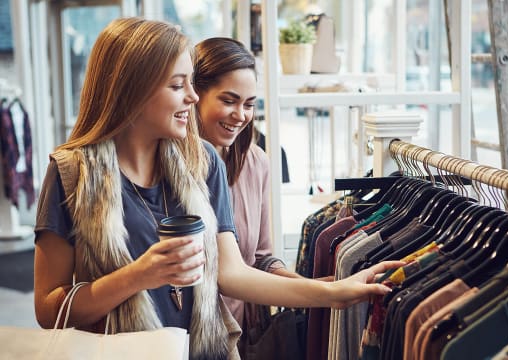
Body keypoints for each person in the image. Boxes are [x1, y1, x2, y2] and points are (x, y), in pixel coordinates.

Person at [33, 17, 397, 360]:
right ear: (132, 91)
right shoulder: (71, 173)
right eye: (177, 85)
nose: (192, 97)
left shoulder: (202, 162)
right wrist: (137, 276)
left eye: (191, 83)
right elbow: (49, 310)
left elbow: (233, 274)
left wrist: (333, 293)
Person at [193, 37, 306, 330]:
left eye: (249, 104)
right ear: (195, 94)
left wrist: (313, 286)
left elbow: (261, 259)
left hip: (238, 331)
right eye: (229, 101)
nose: (241, 115)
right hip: (181, 335)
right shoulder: (167, 164)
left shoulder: (255, 163)